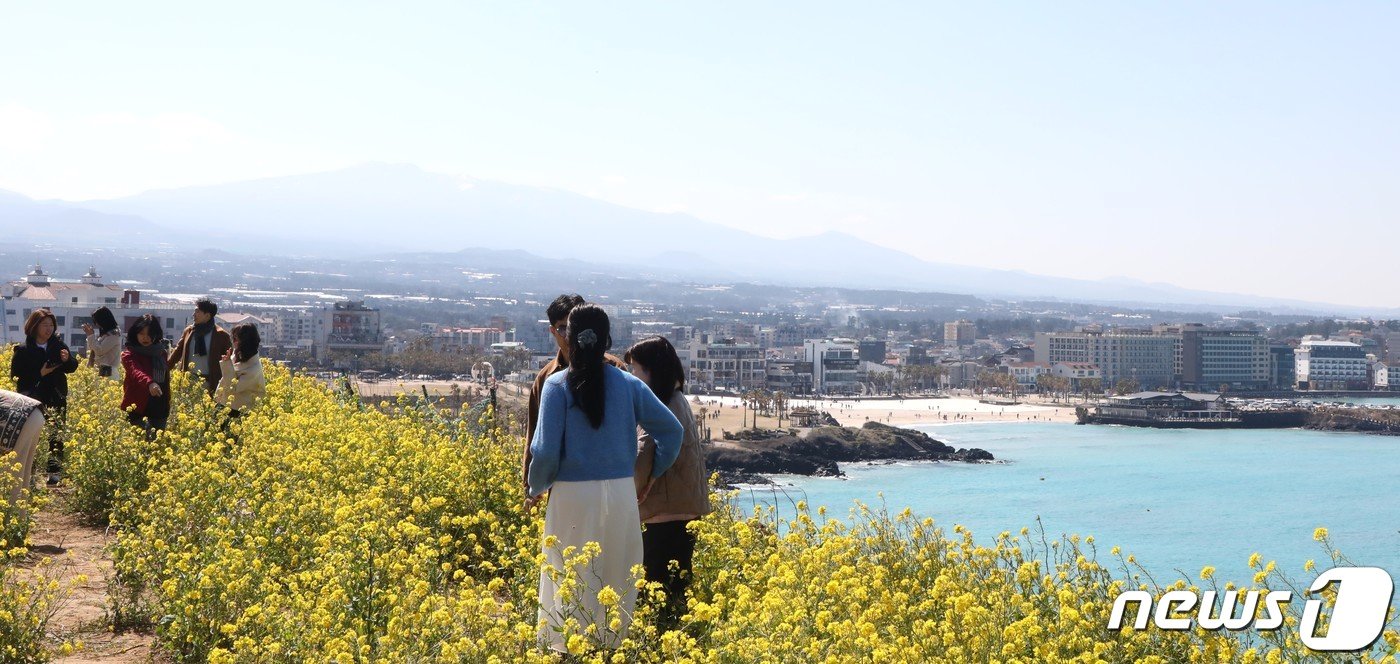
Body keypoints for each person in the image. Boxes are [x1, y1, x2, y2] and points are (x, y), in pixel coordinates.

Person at [526, 305, 683, 652]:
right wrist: (653, 474)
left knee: (568, 574)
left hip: (570, 496)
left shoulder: (556, 385)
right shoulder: (628, 383)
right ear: (607, 339)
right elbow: (672, 431)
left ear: (569, 338)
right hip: (620, 494)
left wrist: (536, 488)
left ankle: (565, 649)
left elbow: (546, 452)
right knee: (615, 572)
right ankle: (609, 648)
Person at [626, 336, 712, 627]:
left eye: (635, 369)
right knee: (675, 593)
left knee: (656, 596)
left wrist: (627, 492)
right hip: (683, 509)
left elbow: (644, 453)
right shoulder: (677, 398)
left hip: (666, 512)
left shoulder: (662, 405)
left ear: (653, 370)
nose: (632, 377)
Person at [523, 294, 627, 490]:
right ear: (552, 331)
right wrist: (530, 487)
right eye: (564, 328)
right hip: (562, 486)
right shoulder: (547, 379)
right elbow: (535, 437)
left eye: (575, 326)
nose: (572, 335)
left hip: (611, 483)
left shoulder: (615, 370)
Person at [9, 309, 80, 485]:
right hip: (33, 399)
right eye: (44, 325)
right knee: (31, 436)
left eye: (51, 325)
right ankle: (29, 473)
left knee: (56, 435)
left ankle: (54, 472)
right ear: (34, 327)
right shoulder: (23, 350)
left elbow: (72, 367)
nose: (49, 329)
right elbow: (16, 375)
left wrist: (67, 360)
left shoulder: (58, 346)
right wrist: (40, 373)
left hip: (56, 395)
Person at [0, 389, 44, 541]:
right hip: (33, 414)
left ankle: (10, 533)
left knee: (13, 477)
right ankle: (18, 529)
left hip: (17, 421)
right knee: (21, 477)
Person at [168, 298, 231, 396]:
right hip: (188, 382)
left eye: (197, 311)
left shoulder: (221, 335)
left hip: (210, 383)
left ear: (207, 315)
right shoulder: (189, 331)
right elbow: (177, 352)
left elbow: (229, 360)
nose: (194, 314)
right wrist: (165, 369)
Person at [122, 314, 171, 436]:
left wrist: (167, 401)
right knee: (137, 446)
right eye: (142, 333)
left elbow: (165, 380)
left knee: (155, 445)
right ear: (135, 333)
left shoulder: (161, 353)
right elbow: (135, 371)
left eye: (149, 334)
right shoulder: (129, 354)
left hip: (159, 404)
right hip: (137, 406)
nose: (145, 338)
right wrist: (150, 383)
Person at [215, 323, 266, 416]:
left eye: (235, 339)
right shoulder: (238, 355)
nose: (233, 342)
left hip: (239, 412)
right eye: (232, 338)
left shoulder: (253, 369)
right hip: (225, 405)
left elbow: (233, 387)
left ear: (246, 342)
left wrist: (227, 364)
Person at [83, 306, 122, 380]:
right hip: (100, 369)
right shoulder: (105, 335)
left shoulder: (114, 335)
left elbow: (99, 350)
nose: (96, 324)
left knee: (105, 390)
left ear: (104, 320)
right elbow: (92, 349)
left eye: (97, 321)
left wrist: (91, 336)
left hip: (108, 371)